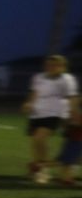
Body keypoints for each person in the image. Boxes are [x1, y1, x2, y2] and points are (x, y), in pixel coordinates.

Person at [22, 54, 79, 185]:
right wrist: (29, 103)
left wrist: (72, 112)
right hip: (37, 113)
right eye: (48, 65)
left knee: (39, 138)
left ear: (62, 67)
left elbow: (73, 96)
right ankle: (37, 168)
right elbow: (34, 92)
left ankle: (43, 170)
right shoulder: (38, 77)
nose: (50, 67)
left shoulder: (67, 79)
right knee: (35, 142)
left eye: (54, 65)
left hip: (55, 113)